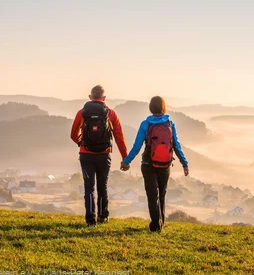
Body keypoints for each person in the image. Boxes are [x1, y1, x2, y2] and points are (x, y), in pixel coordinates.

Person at [121, 96, 189, 232]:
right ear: (163, 107)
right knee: (162, 194)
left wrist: (126, 162)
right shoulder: (170, 124)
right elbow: (176, 145)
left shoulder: (145, 124)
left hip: (148, 164)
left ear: (151, 108)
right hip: (165, 165)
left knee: (153, 196)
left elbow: (137, 146)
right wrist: (184, 163)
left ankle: (155, 225)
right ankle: (160, 224)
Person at [70, 85, 129, 226]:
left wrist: (81, 143)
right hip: (104, 155)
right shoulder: (111, 114)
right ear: (104, 98)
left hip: (86, 155)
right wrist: (125, 159)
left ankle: (90, 219)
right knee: (102, 185)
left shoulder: (82, 113)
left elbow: (73, 135)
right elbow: (119, 137)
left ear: (90, 97)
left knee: (89, 187)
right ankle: (103, 216)